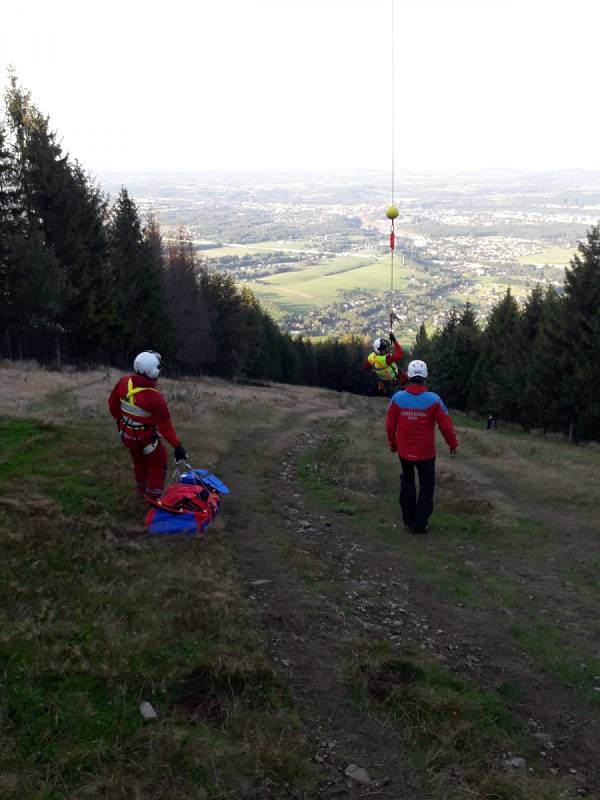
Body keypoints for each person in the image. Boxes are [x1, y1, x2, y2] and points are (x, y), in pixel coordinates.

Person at [386, 359, 457, 534]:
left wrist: (392, 443)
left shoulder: (397, 398)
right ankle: (419, 524)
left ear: (409, 376)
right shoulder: (434, 400)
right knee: (426, 487)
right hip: (426, 453)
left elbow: (390, 425)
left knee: (407, 482)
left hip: (404, 451)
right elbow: (446, 426)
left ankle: (408, 519)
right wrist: (452, 443)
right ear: (425, 377)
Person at [108, 351, 187, 503]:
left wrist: (121, 420)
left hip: (126, 435)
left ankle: (141, 490)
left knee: (139, 461)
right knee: (158, 462)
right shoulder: (155, 398)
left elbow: (112, 404)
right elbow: (165, 426)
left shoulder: (124, 382)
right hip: (144, 439)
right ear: (154, 371)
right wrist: (178, 446)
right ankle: (152, 497)